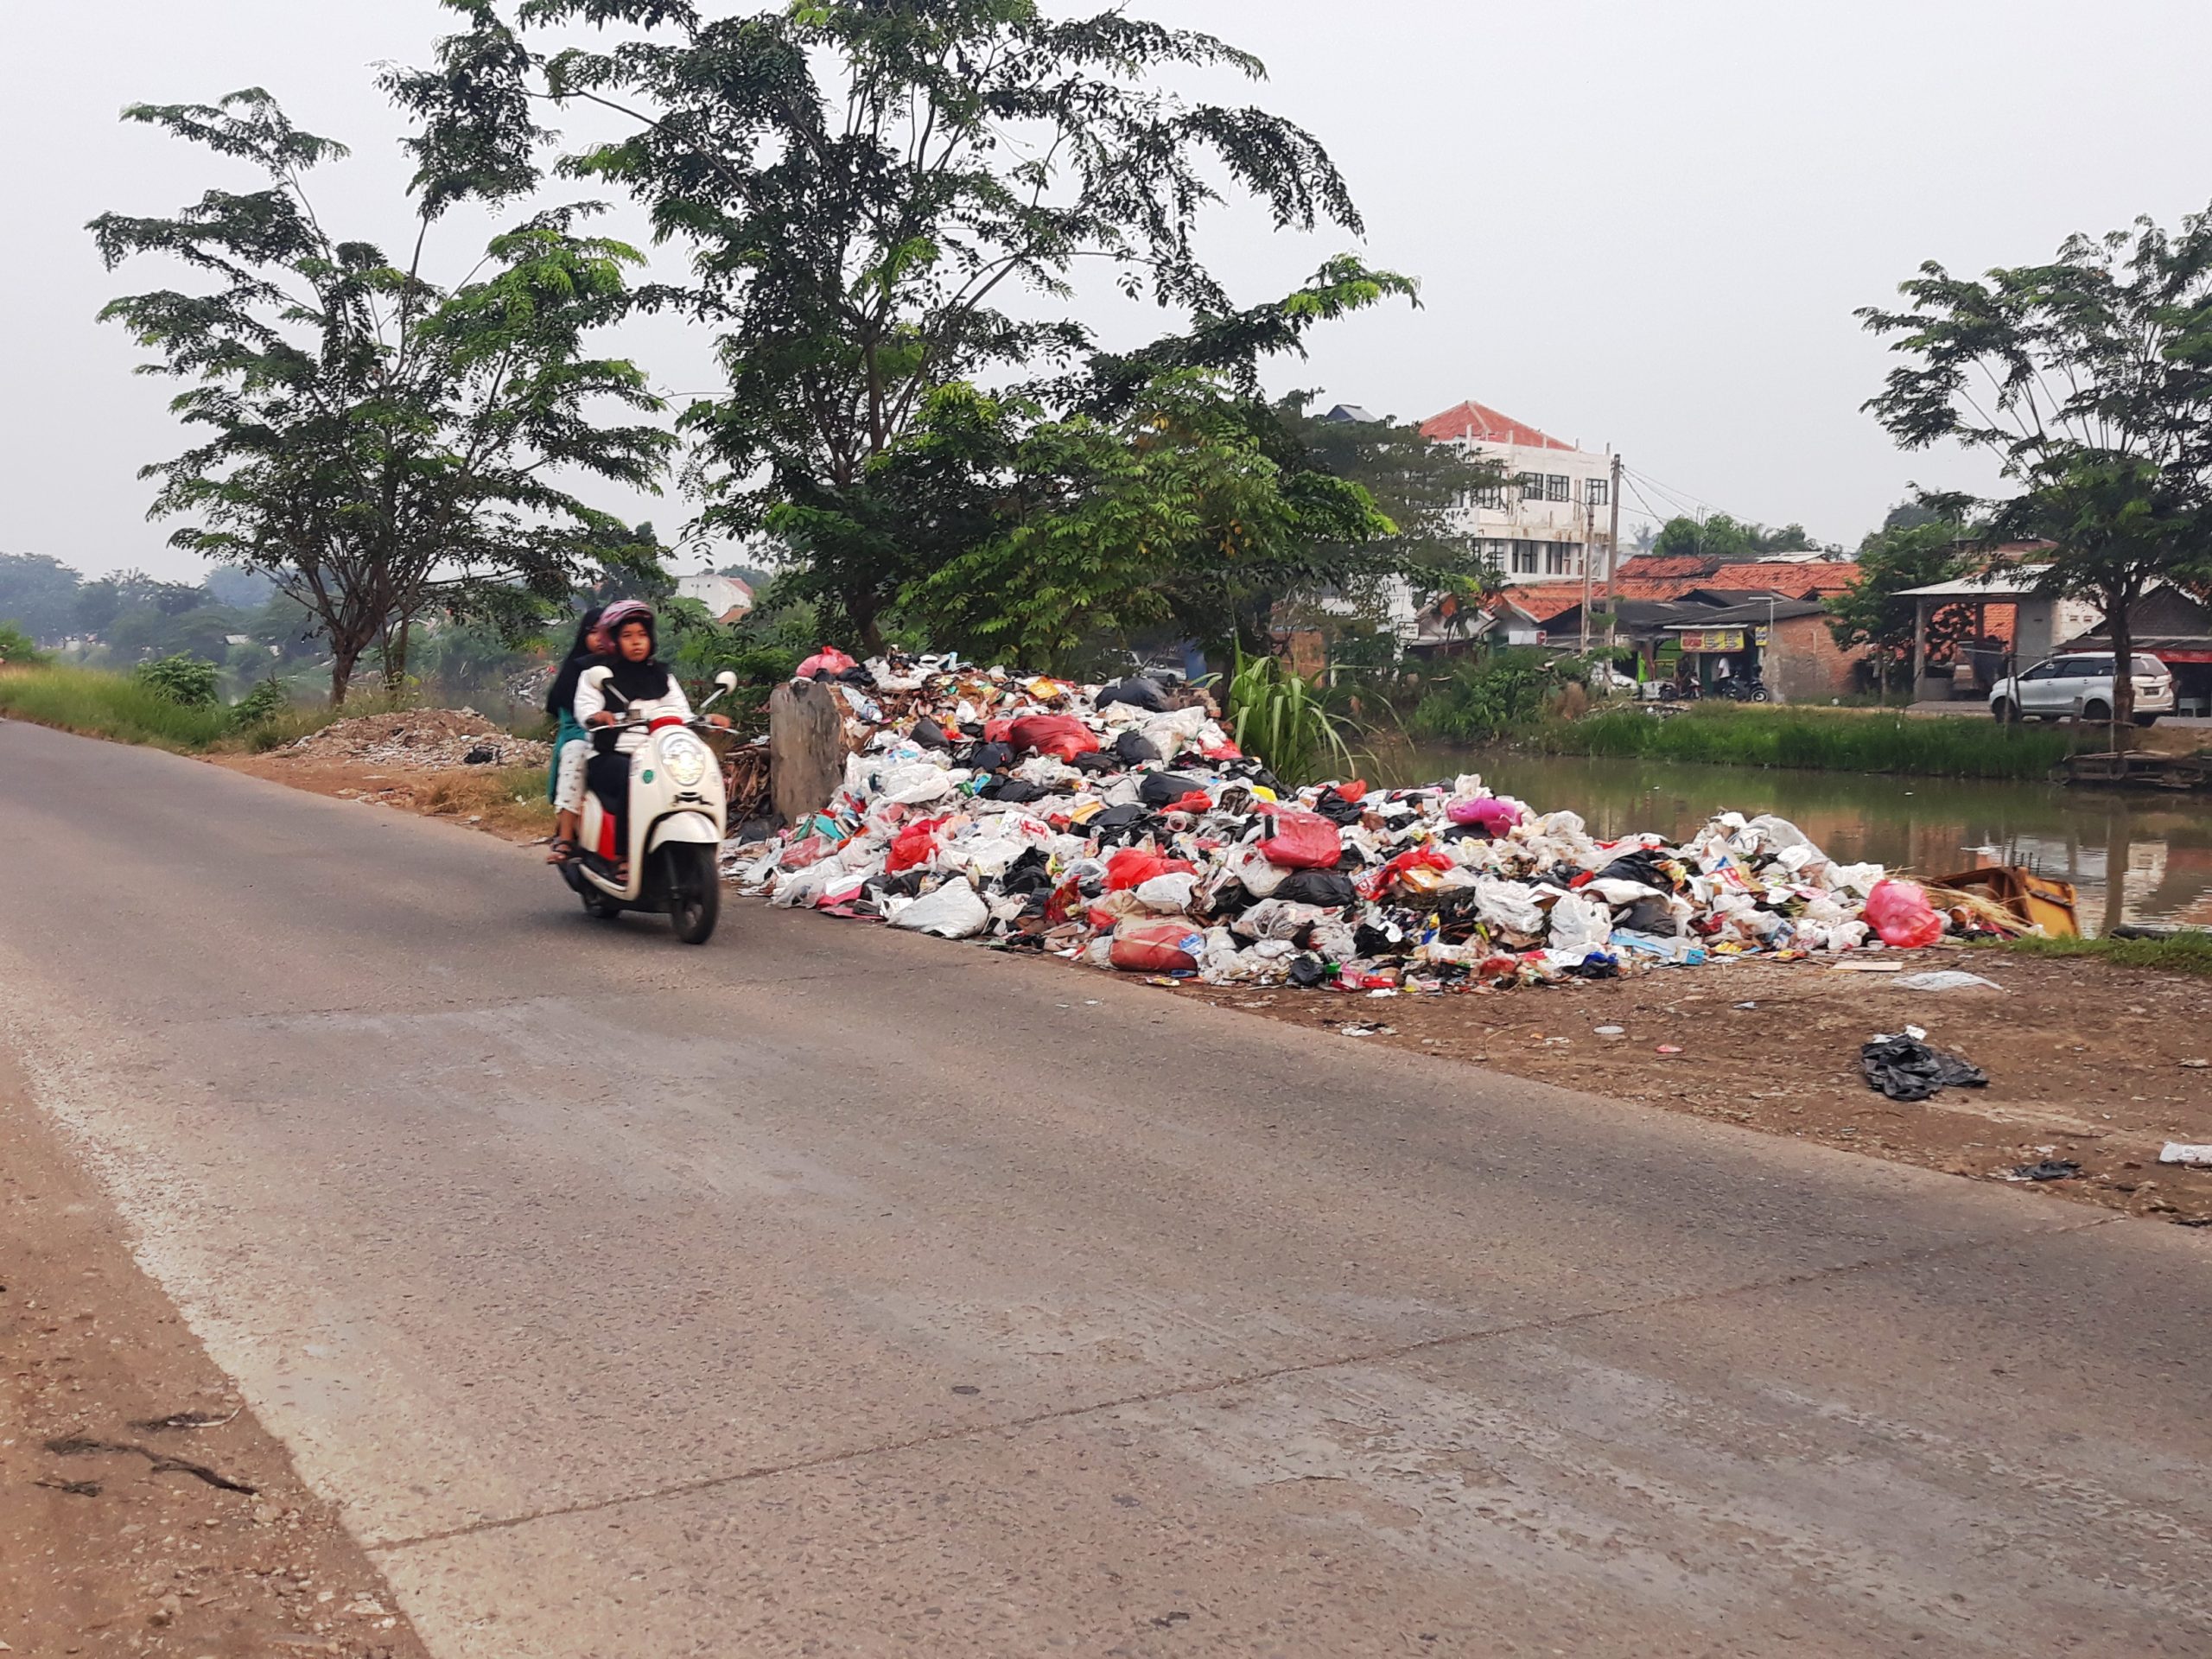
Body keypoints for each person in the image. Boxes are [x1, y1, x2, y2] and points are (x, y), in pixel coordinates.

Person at [574, 601, 728, 880]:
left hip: (659, 755)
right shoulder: (596, 675)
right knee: (630, 781)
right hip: (613, 755)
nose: (636, 642)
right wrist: (598, 716)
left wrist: (707, 720)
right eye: (627, 635)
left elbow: (681, 713)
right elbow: (585, 709)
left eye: (642, 635)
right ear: (613, 640)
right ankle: (623, 855)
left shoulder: (662, 676)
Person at [545, 607, 609, 863]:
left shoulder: (631, 668)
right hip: (580, 737)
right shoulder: (577, 672)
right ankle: (565, 838)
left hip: (625, 737)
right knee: (575, 756)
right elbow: (571, 721)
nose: (600, 639)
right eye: (593, 632)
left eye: (607, 633)